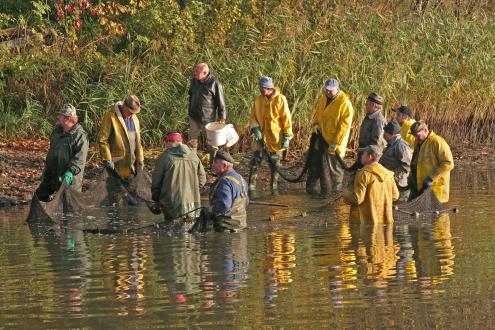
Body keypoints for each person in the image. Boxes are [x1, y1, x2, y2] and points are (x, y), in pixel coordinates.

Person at [307, 78, 354, 197]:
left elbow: (344, 126)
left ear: (337, 89)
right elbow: (318, 114)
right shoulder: (323, 99)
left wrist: (336, 142)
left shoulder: (345, 103)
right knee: (318, 164)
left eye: (331, 91)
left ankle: (336, 194)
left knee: (335, 169)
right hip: (322, 138)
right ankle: (321, 191)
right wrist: (315, 124)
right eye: (326, 90)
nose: (328, 92)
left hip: (335, 142)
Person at [36, 104, 89, 201]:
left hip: (69, 179)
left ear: (67, 118)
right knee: (40, 197)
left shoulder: (80, 136)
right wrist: (48, 164)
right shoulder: (57, 131)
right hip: (52, 175)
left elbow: (80, 159)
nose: (58, 117)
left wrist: (70, 172)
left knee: (69, 207)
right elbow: (52, 150)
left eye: (60, 115)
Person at [249, 76, 293, 193]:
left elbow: (286, 118)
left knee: (275, 164)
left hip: (276, 137)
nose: (261, 90)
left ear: (269, 88)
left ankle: (274, 187)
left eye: (262, 88)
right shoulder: (258, 100)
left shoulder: (281, 99)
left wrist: (287, 135)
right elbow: (253, 117)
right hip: (261, 137)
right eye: (260, 87)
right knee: (255, 161)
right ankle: (251, 186)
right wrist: (255, 128)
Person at [151, 132, 206, 221]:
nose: (166, 145)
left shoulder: (165, 157)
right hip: (193, 205)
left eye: (166, 143)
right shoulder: (194, 157)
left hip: (171, 205)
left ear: (170, 142)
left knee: (173, 231)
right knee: (189, 230)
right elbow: (202, 179)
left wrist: (156, 199)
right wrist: (193, 191)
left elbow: (156, 182)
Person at [344, 145, 399, 224]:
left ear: (369, 157)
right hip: (385, 221)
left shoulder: (363, 174)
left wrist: (345, 195)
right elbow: (395, 196)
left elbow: (357, 199)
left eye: (363, 154)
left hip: (366, 222)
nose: (361, 156)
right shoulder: (389, 174)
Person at [98, 95, 144, 179]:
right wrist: (107, 158)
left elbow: (138, 143)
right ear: (125, 106)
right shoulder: (110, 116)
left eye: (134, 112)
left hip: (132, 166)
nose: (132, 114)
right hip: (116, 165)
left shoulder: (135, 119)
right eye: (131, 111)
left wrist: (140, 160)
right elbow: (103, 140)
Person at [187, 63, 226, 160]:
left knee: (212, 143)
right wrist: (190, 109)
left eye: (197, 71)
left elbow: (221, 102)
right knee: (192, 141)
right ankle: (192, 163)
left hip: (208, 119)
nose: (194, 73)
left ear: (204, 73)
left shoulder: (215, 83)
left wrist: (222, 118)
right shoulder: (194, 81)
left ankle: (214, 165)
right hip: (193, 116)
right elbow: (191, 95)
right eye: (195, 70)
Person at [409, 120, 454, 203]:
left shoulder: (438, 141)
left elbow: (448, 163)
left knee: (437, 215)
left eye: (417, 135)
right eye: (414, 136)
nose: (416, 138)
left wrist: (431, 178)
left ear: (425, 130)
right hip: (421, 187)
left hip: (436, 189)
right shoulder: (418, 141)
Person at [208, 152, 249, 232]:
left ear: (224, 166)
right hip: (241, 227)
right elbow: (246, 202)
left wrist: (210, 210)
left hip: (226, 229)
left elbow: (224, 205)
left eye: (216, 163)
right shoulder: (241, 179)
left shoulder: (225, 181)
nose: (214, 166)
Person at [349, 92, 386, 172]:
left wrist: (364, 155)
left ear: (373, 105)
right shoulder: (369, 116)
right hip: (364, 156)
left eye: (367, 103)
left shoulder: (378, 120)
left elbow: (376, 145)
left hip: (369, 159)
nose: (365, 105)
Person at [379, 121, 412, 201]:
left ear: (392, 134)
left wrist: (393, 176)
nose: (383, 134)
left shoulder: (401, 145)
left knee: (398, 208)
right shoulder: (392, 144)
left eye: (385, 132)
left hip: (399, 186)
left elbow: (406, 166)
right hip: (390, 183)